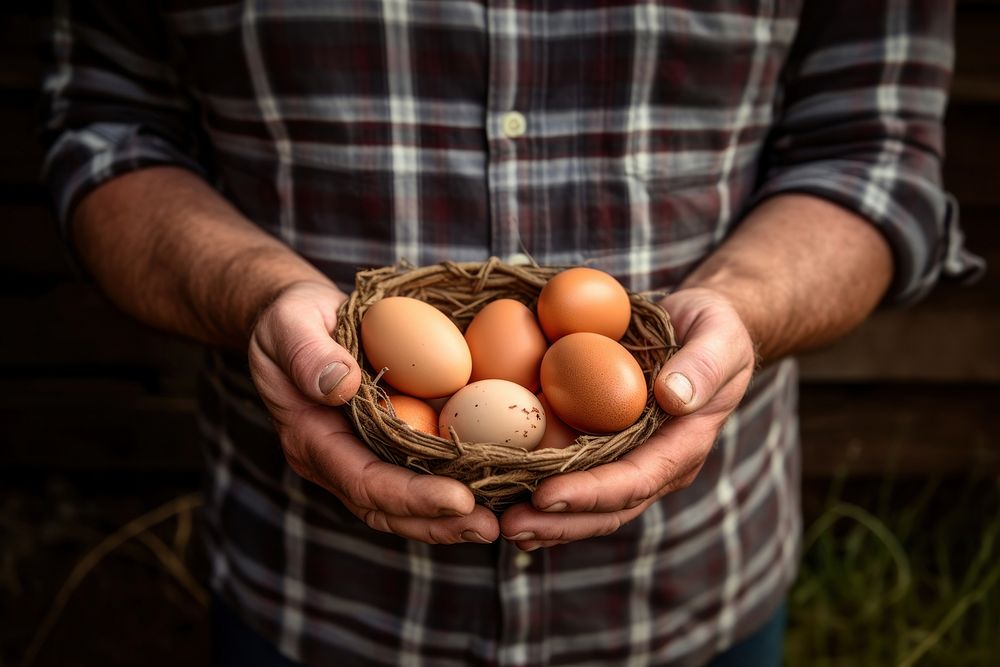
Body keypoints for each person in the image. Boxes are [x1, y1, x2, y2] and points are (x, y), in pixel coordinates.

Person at [41, 1, 982, 665]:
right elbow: (108, 136)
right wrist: (258, 293)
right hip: (310, 590)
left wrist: (741, 304)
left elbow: (872, 155)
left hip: (693, 584)